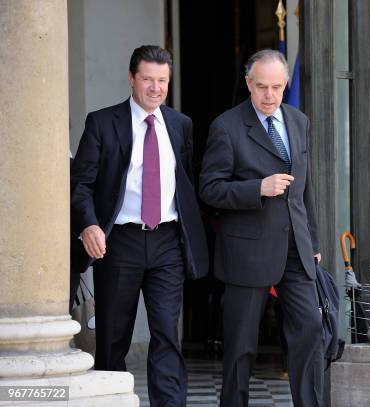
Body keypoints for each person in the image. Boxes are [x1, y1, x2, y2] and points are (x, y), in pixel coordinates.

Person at [71, 45, 208, 407]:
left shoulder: (181, 126)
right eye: (147, 79)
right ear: (132, 78)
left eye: (162, 80)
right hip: (119, 244)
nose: (155, 87)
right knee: (113, 337)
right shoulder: (102, 123)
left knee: (167, 335)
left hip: (167, 242)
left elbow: (185, 183)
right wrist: (88, 225)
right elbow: (81, 183)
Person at [200, 49, 324, 407]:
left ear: (285, 85)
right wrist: (258, 188)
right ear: (248, 84)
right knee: (241, 345)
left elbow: (306, 187)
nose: (270, 96)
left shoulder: (299, 121)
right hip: (248, 251)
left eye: (277, 87)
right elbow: (209, 189)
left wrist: (312, 239)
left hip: (296, 249)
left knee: (309, 329)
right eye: (261, 87)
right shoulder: (226, 127)